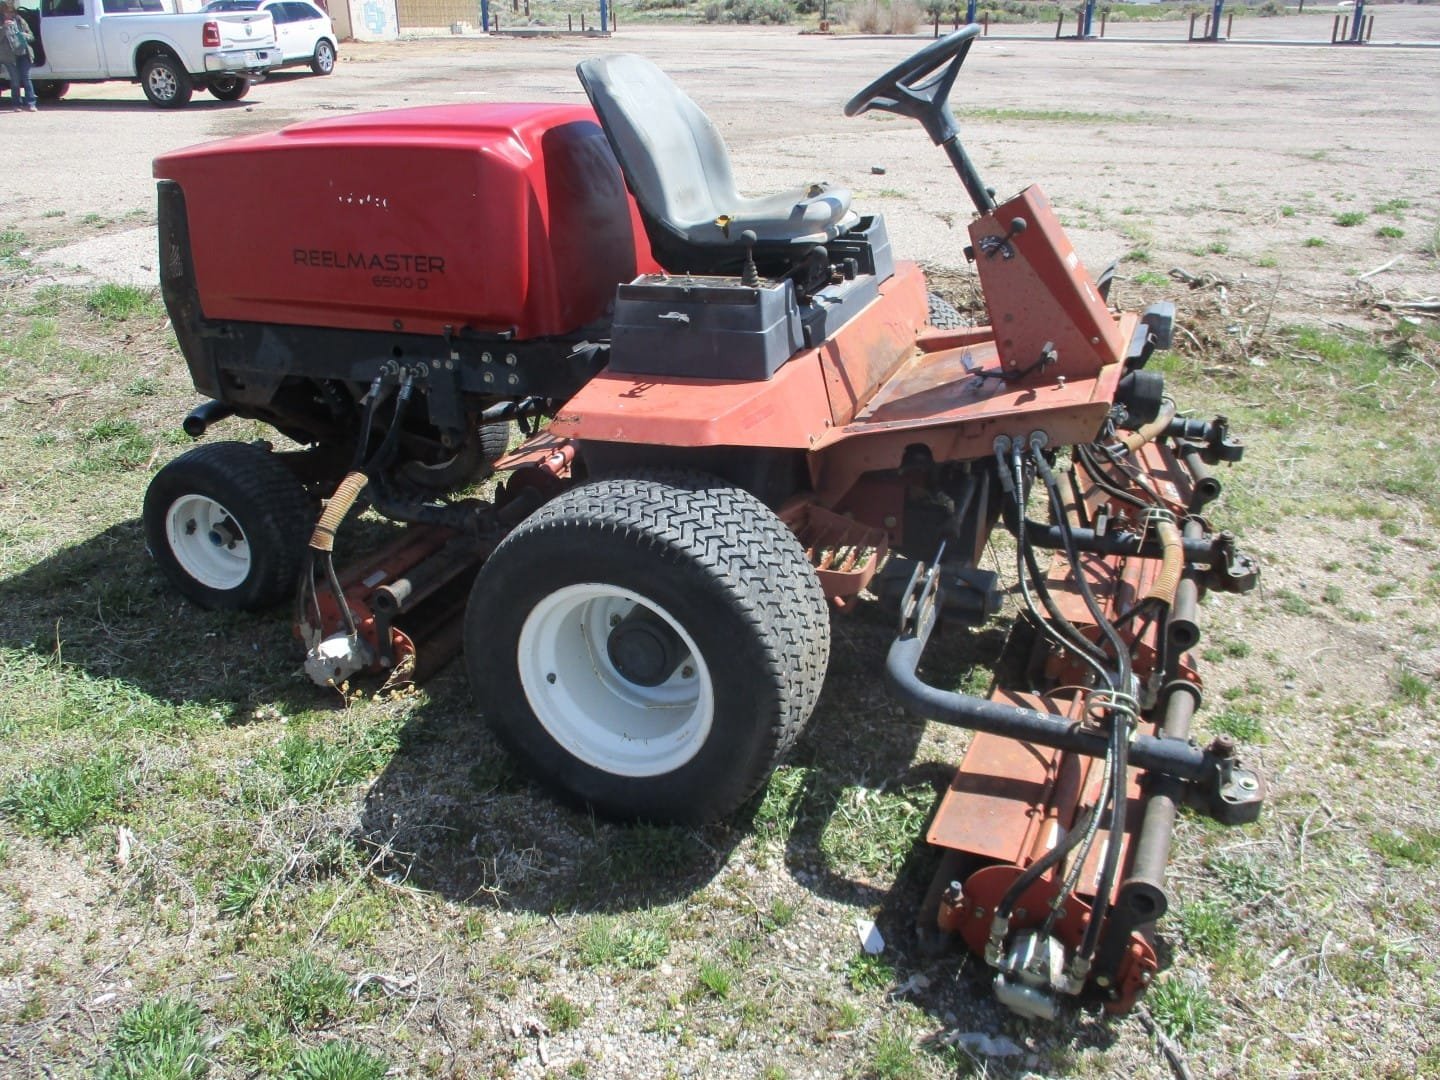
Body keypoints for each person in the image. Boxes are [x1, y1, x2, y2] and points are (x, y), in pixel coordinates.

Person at [0, 1, 38, 112]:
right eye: (6, 12)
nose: (9, 14)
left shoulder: (20, 20)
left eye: (11, 12)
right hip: (8, 56)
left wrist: (25, 35)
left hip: (24, 52)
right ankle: (16, 104)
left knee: (26, 78)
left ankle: (31, 103)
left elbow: (31, 36)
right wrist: (3, 28)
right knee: (15, 80)